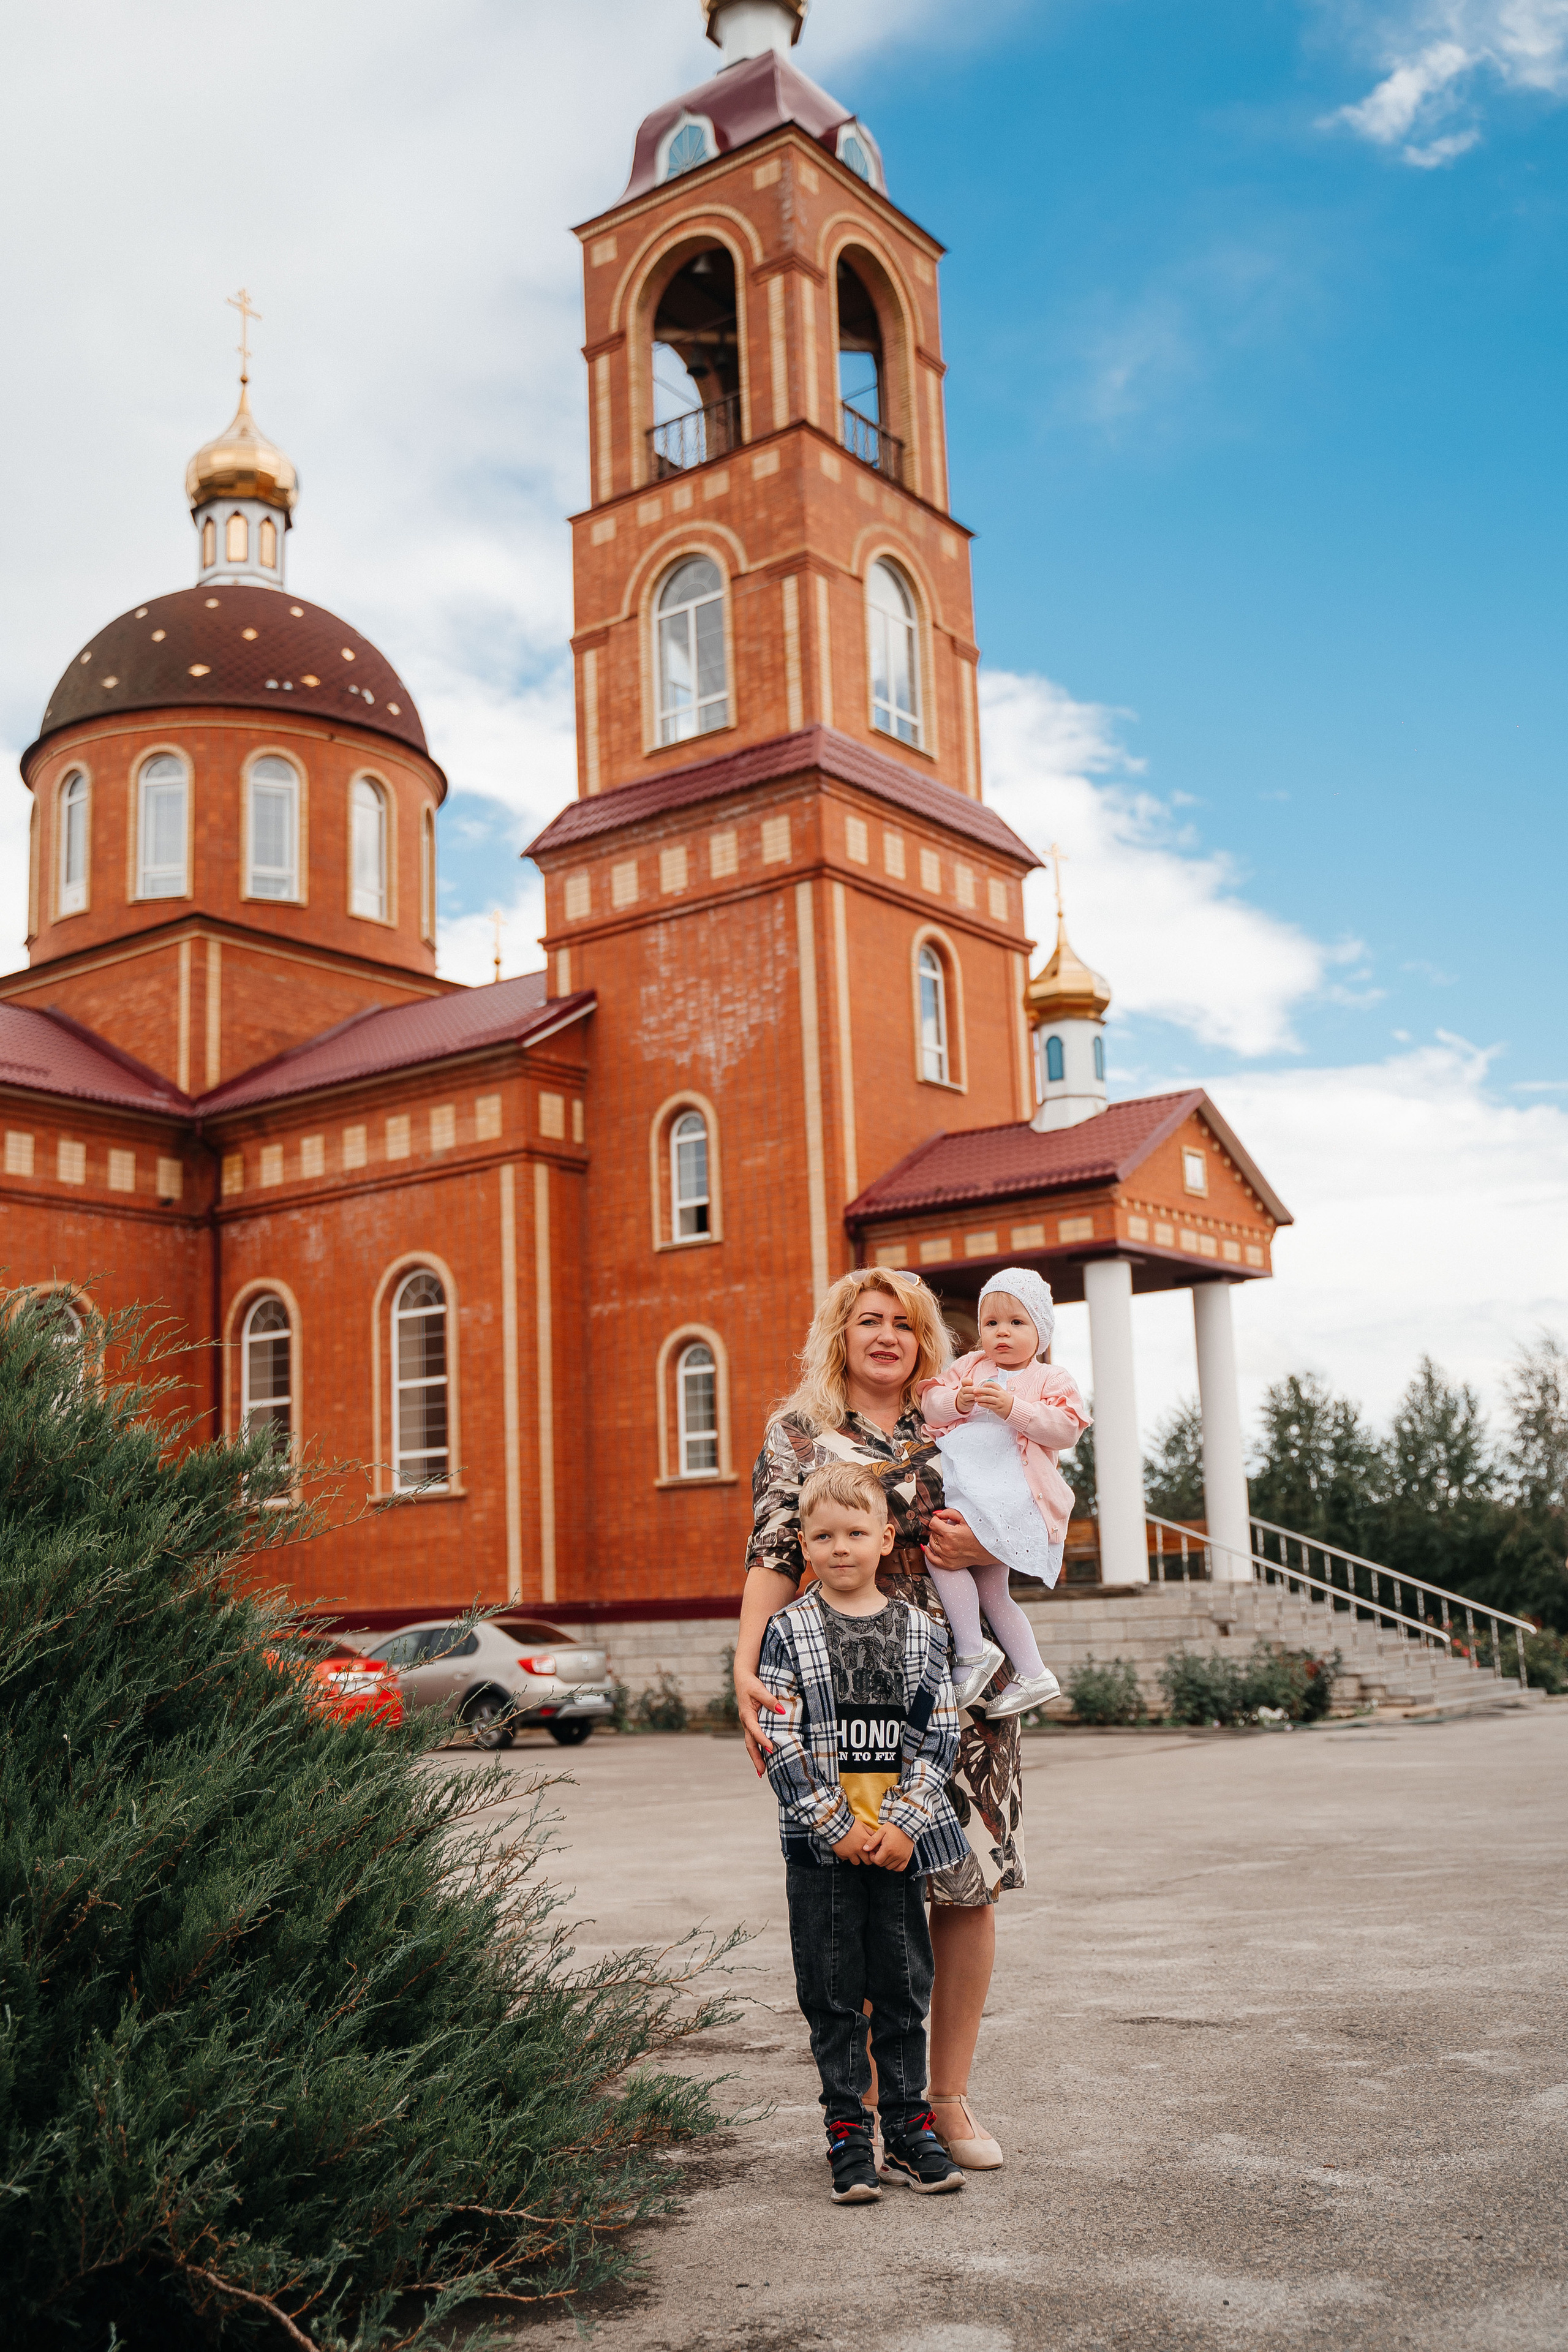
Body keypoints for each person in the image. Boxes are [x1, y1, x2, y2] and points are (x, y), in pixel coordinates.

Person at [735, 1265, 1025, 2172]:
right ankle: (865, 2114)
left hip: (961, 1680)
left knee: (964, 1889)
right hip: (836, 1686)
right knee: (855, 1894)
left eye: (903, 1322)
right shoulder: (799, 1433)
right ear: (842, 1333)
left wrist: (994, 1542)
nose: (887, 1336)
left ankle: (946, 2102)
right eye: (869, 1320)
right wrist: (745, 1668)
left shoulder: (967, 1416)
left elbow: (1035, 1522)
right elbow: (775, 1550)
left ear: (924, 1338)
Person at [759, 1461, 968, 2201]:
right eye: (822, 1536)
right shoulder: (786, 1633)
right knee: (833, 1992)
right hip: (822, 1851)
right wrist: (835, 1824)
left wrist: (905, 1824)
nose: (839, 1547)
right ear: (804, 1545)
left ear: (885, 1539)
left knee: (903, 1988)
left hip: (898, 1847)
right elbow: (778, 1740)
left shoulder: (922, 1632)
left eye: (854, 1533)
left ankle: (911, 2129)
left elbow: (939, 1734)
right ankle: (848, 2131)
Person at [918, 1267, 1089, 1719]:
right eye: (991, 1324)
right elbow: (930, 1401)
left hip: (1009, 1497)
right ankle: (1033, 1673)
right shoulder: (970, 1367)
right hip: (969, 1491)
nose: (1002, 1334)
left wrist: (1016, 1409)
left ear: (1041, 1330)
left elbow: (1066, 1429)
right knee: (994, 1593)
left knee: (940, 1553)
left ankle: (974, 1650)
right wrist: (958, 1402)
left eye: (1017, 1323)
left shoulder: (1050, 1379)